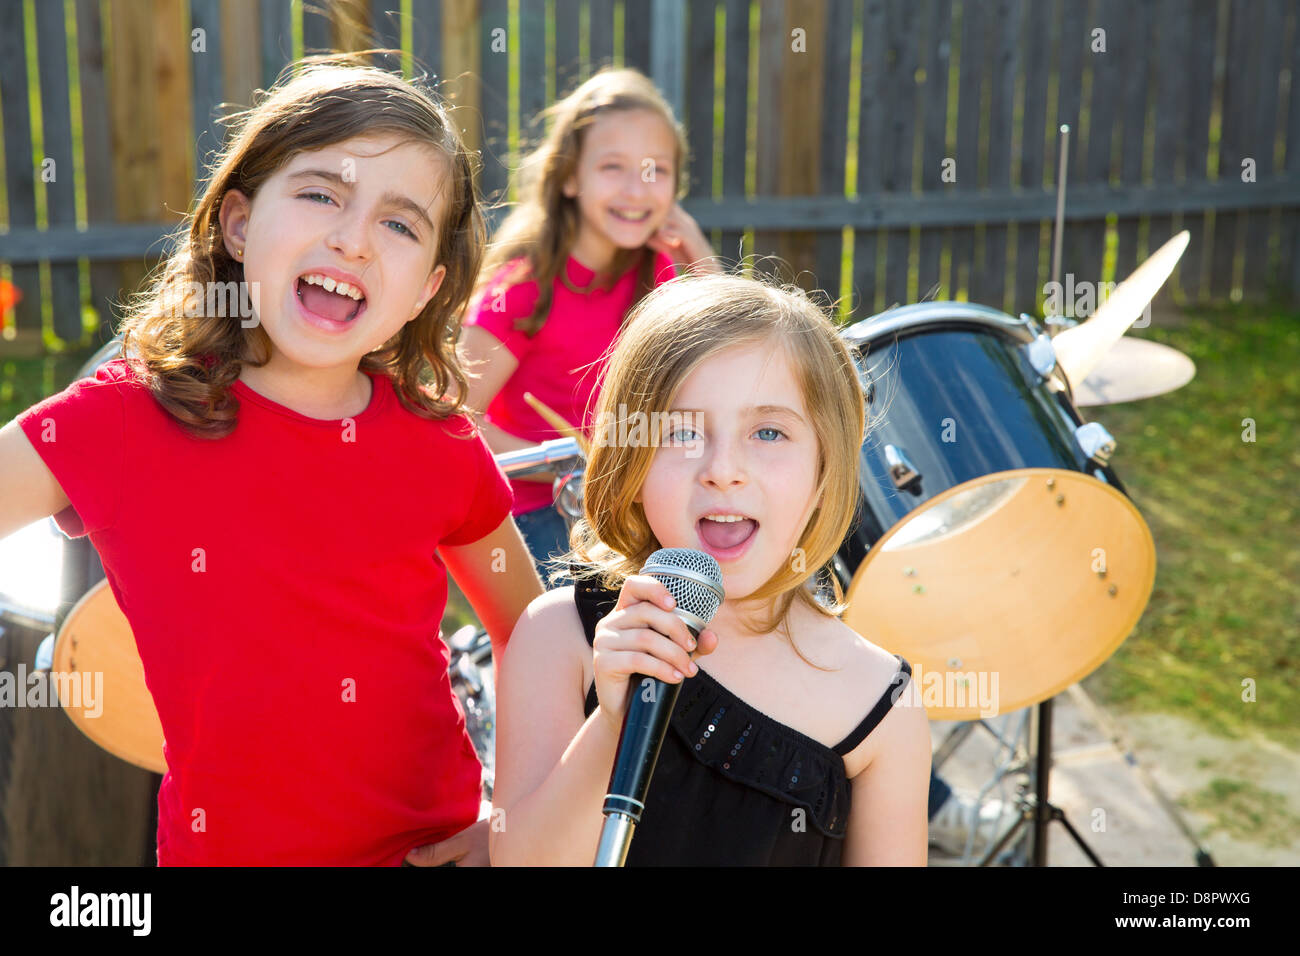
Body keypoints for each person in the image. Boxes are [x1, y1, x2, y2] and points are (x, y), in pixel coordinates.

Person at [0, 53, 543, 866]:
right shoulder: (118, 420)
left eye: (398, 223)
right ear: (240, 223)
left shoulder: (441, 445)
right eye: (321, 193)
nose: (353, 239)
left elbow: (534, 634)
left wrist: (511, 823)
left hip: (426, 851)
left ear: (425, 291)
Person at [489, 273, 932, 865]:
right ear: (631, 464)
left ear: (827, 467)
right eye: (682, 431)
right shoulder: (560, 636)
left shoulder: (883, 704)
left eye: (768, 432)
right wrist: (614, 723)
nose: (723, 469)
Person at [458, 68, 719, 580]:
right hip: (541, 514)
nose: (636, 189)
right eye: (612, 167)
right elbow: (457, 413)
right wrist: (559, 462)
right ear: (571, 177)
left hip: (634, 504)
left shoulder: (662, 273)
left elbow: (735, 359)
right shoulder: (524, 289)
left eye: (655, 171)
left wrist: (702, 258)